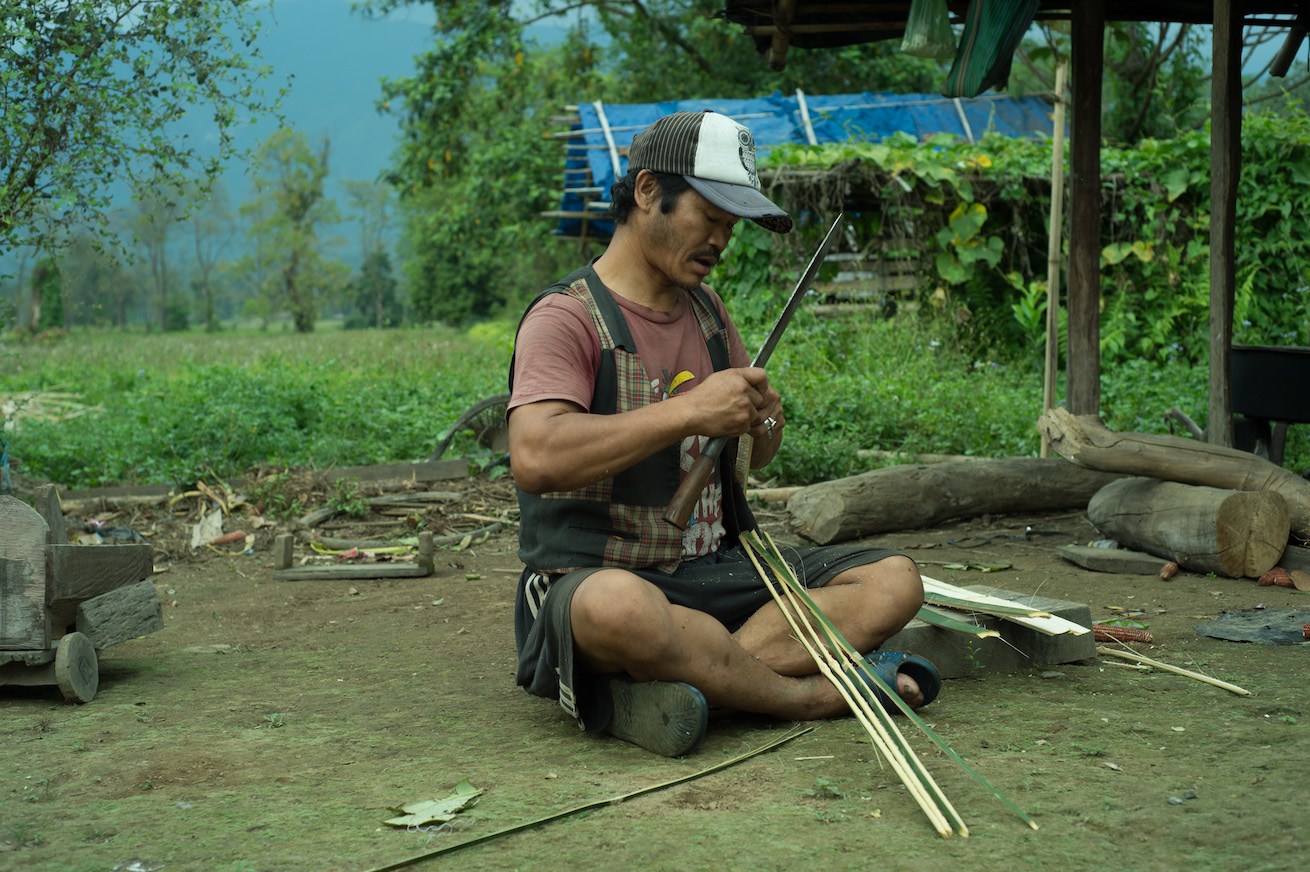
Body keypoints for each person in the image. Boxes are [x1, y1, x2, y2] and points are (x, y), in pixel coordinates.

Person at [508, 110, 938, 757]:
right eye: (709, 218)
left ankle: (704, 680)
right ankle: (808, 697)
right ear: (648, 191)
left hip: (716, 573)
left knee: (894, 581)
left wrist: (764, 421)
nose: (720, 241)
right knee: (620, 610)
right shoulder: (567, 319)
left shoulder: (708, 313)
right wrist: (690, 411)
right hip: (598, 576)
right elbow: (535, 457)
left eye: (731, 228)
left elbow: (755, 454)